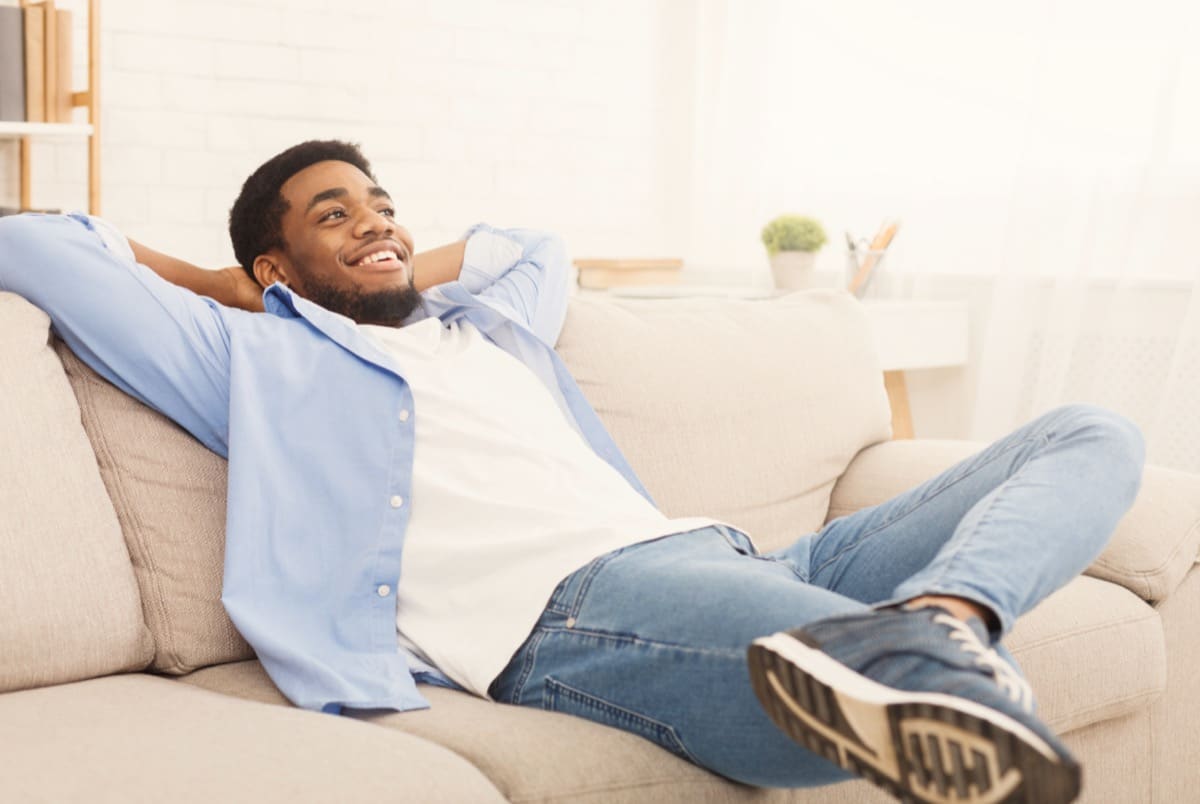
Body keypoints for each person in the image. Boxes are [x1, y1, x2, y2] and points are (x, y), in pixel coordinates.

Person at [0, 140, 1145, 804]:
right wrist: (233, 287)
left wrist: (381, 258)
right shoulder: (251, 356)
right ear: (273, 264)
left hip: (736, 554)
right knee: (815, 662)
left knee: (1090, 435)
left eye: (385, 207)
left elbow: (529, 247)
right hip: (568, 612)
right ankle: (906, 669)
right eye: (334, 215)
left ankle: (944, 621)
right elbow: (30, 240)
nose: (377, 225)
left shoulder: (483, 326)